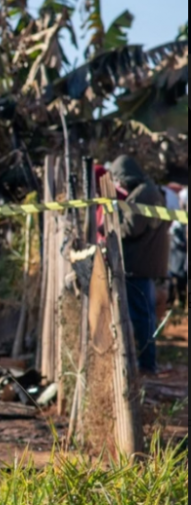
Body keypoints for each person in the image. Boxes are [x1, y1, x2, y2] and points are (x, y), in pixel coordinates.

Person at [109, 155, 171, 375]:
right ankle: (147, 361)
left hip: (139, 264)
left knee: (142, 316)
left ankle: (147, 364)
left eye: (118, 179)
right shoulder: (149, 191)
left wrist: (113, 221)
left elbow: (131, 228)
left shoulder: (143, 194)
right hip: (144, 263)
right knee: (144, 315)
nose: (118, 184)